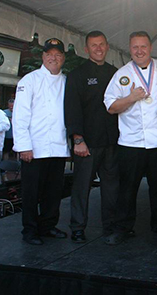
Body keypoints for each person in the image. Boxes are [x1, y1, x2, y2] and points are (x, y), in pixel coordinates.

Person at [104, 31, 157, 245]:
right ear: (130, 49)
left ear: (150, 48)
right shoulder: (122, 74)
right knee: (127, 189)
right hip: (131, 142)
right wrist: (131, 98)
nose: (139, 51)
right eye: (135, 47)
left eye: (143, 46)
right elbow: (110, 106)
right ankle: (122, 228)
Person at [13, 38, 70, 245]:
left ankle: (47, 225)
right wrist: (24, 146)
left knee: (53, 192)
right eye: (49, 55)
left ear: (63, 58)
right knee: (31, 193)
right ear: (43, 57)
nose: (53, 58)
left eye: (57, 54)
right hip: (34, 149)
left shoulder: (66, 82)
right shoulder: (29, 80)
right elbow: (20, 115)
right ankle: (29, 230)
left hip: (58, 146)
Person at [64, 31, 119, 243]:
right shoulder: (77, 75)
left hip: (112, 141)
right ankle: (77, 227)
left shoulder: (116, 73)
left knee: (112, 187)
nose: (98, 48)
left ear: (107, 47)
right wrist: (78, 139)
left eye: (102, 44)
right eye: (94, 45)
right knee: (81, 187)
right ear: (86, 49)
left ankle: (110, 226)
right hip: (87, 143)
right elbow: (72, 109)